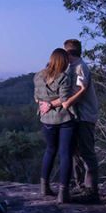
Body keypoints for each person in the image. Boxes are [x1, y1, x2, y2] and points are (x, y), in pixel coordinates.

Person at [39, 40, 101, 203]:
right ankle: (79, 185)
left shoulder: (80, 68)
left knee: (86, 152)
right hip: (75, 116)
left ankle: (91, 190)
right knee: (74, 153)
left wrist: (50, 104)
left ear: (68, 53)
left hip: (84, 115)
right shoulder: (70, 68)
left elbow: (74, 94)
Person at [34, 48, 77, 203]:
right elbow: (65, 102)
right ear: (63, 61)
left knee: (50, 150)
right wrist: (52, 104)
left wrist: (45, 105)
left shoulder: (38, 76)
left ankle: (44, 187)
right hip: (64, 120)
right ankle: (63, 194)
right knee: (65, 154)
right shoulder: (64, 78)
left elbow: (36, 98)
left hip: (46, 120)